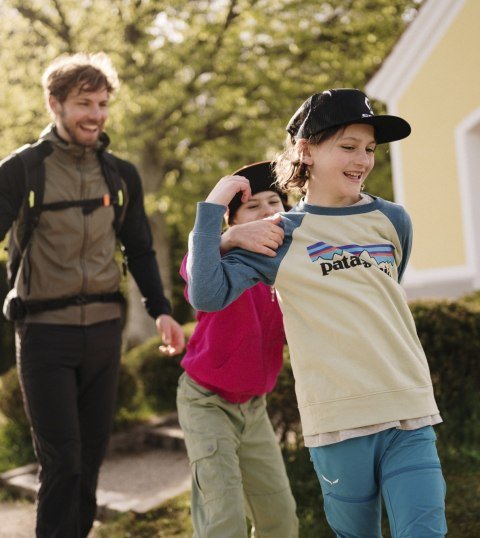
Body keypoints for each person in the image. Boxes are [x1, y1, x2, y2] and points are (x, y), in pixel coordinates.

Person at [185, 89, 447, 537]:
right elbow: (207, 294)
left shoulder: (393, 220)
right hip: (337, 423)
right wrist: (215, 219)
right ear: (305, 151)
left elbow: (382, 299)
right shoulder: (279, 235)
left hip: (410, 411)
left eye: (369, 149)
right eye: (347, 147)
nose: (362, 160)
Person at [0, 52, 185, 538]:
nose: (96, 115)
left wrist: (161, 311)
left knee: (89, 462)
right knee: (62, 463)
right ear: (54, 103)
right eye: (85, 103)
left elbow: (141, 249)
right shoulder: (22, 170)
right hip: (44, 336)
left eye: (103, 103)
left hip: (105, 333)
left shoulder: (121, 175)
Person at [177, 161, 299, 538]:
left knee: (280, 519)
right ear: (232, 221)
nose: (267, 213)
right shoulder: (219, 261)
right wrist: (225, 238)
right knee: (224, 522)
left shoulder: (293, 266)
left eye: (274, 201)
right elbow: (192, 269)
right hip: (207, 403)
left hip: (254, 407)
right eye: (253, 206)